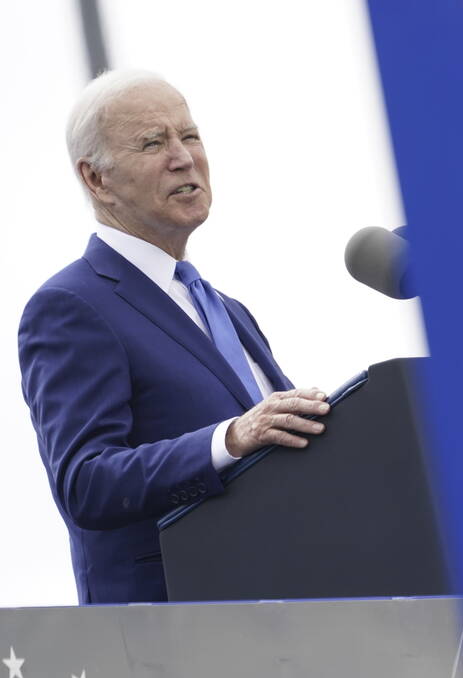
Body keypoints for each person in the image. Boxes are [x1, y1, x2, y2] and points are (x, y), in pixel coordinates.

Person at [18, 69, 329, 604]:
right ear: (96, 179)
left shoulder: (227, 310)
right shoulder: (72, 306)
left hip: (285, 613)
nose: (184, 157)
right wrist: (228, 439)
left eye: (189, 135)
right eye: (152, 142)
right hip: (168, 634)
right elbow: (85, 482)